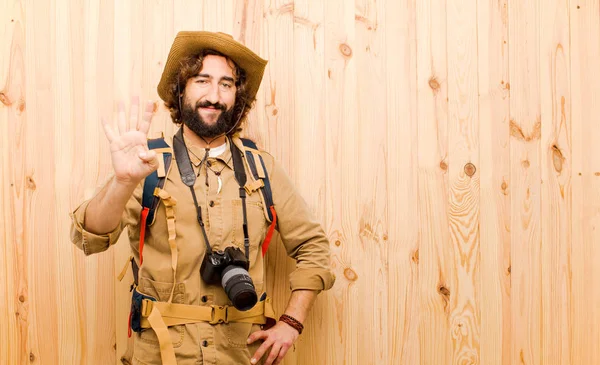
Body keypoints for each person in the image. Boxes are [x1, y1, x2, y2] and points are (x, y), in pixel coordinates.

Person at [69, 31, 335, 365]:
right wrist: (123, 181)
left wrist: (292, 322)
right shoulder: (146, 164)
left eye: (226, 84)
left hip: (242, 355)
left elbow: (314, 248)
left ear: (236, 96)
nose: (214, 95)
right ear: (181, 91)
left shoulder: (261, 168)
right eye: (201, 80)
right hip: (162, 355)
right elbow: (88, 237)